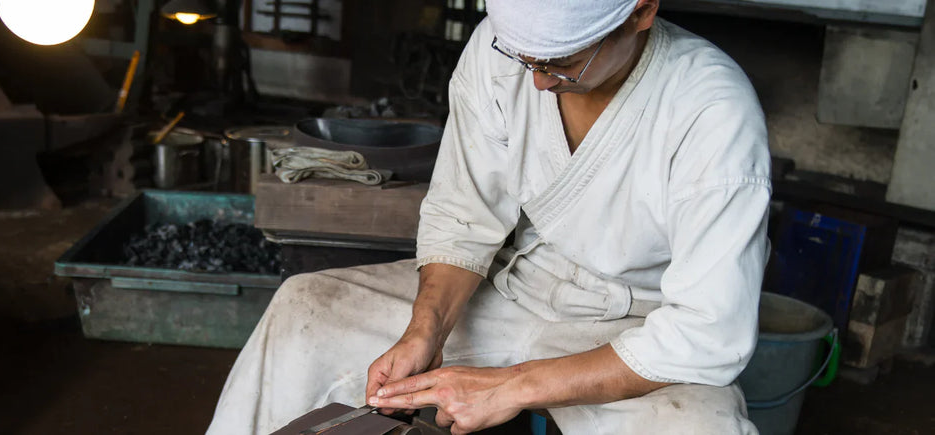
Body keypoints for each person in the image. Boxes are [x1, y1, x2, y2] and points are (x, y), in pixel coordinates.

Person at [206, 0, 770, 433]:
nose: (540, 82)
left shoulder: (713, 111)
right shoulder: (498, 48)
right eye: (525, 60)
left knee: (699, 425)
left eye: (563, 63)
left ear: (643, 10)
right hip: (510, 288)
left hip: (633, 329)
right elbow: (463, 216)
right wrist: (425, 330)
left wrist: (511, 387)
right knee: (304, 306)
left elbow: (708, 331)